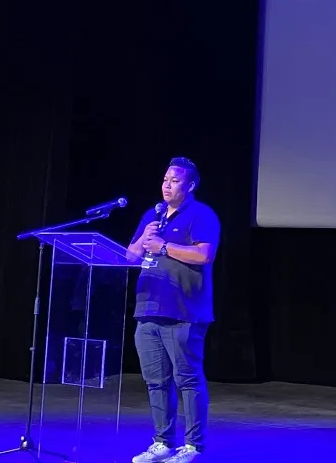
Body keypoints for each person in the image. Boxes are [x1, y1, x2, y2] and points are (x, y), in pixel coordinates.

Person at [127, 157, 221, 463]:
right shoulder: (152, 215)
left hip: (184, 312)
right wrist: (144, 240)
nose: (167, 186)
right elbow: (130, 257)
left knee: (188, 381)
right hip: (148, 310)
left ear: (190, 186)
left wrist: (164, 247)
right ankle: (162, 442)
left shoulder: (201, 215)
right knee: (156, 381)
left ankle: (193, 446)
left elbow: (204, 255)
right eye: (165, 180)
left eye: (175, 181)